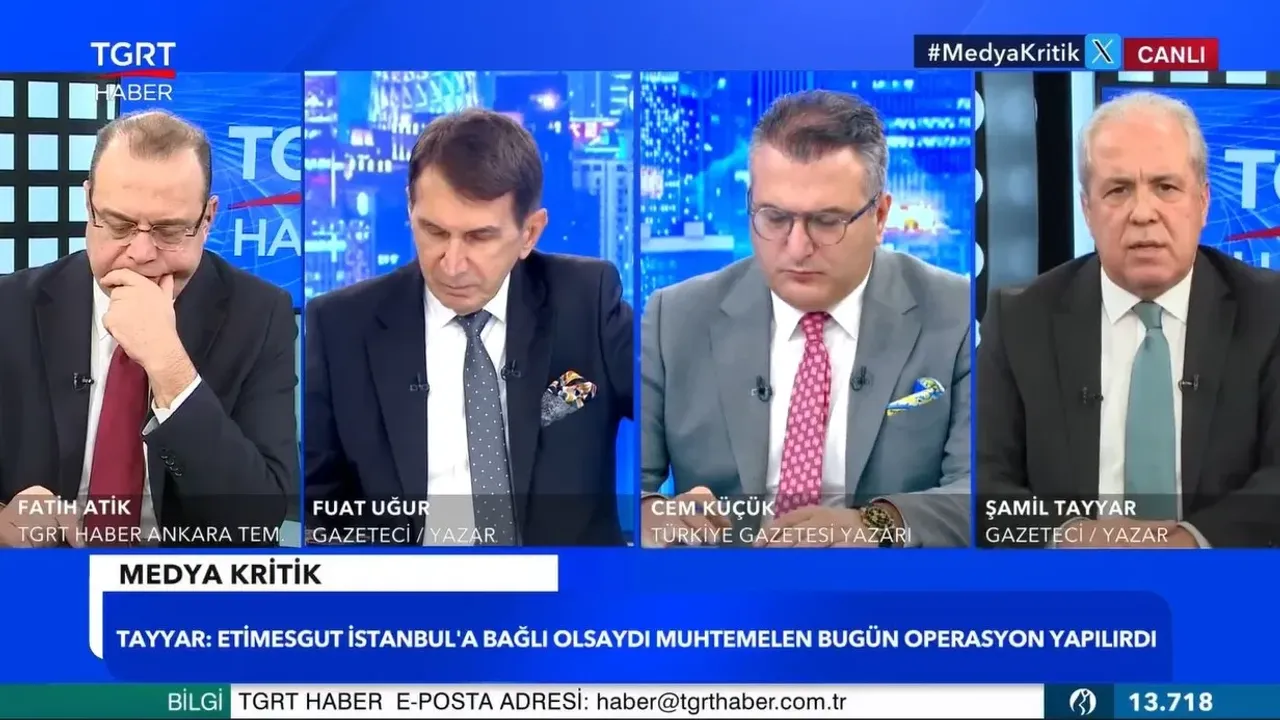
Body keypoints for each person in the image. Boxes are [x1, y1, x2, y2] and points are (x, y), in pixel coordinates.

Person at [639, 90, 971, 549]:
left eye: (827, 221)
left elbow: (980, 492)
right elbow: (622, 488)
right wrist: (652, 515)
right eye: (774, 218)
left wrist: (874, 526)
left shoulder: (956, 313)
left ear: (879, 217)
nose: (797, 248)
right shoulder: (674, 318)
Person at [305, 108, 632, 547]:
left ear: (529, 233)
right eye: (434, 231)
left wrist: (652, 498)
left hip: (566, 586)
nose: (453, 265)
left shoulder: (586, 300)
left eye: (479, 237)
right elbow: (317, 511)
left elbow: (669, 405)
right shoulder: (340, 327)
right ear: (410, 209)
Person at [977, 91, 1280, 549]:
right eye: (1118, 190)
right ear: (1087, 210)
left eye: (1166, 187)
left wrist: (1187, 544)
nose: (1143, 214)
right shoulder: (1020, 319)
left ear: (1202, 202)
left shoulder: (1269, 311)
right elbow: (984, 480)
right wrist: (1067, 535)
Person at [0, 110, 298, 548]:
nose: (141, 253)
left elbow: (258, 519)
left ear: (207, 218)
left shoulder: (260, 314)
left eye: (169, 230)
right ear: (88, 203)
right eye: (119, 225)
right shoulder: (9, 308)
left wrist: (169, 367)